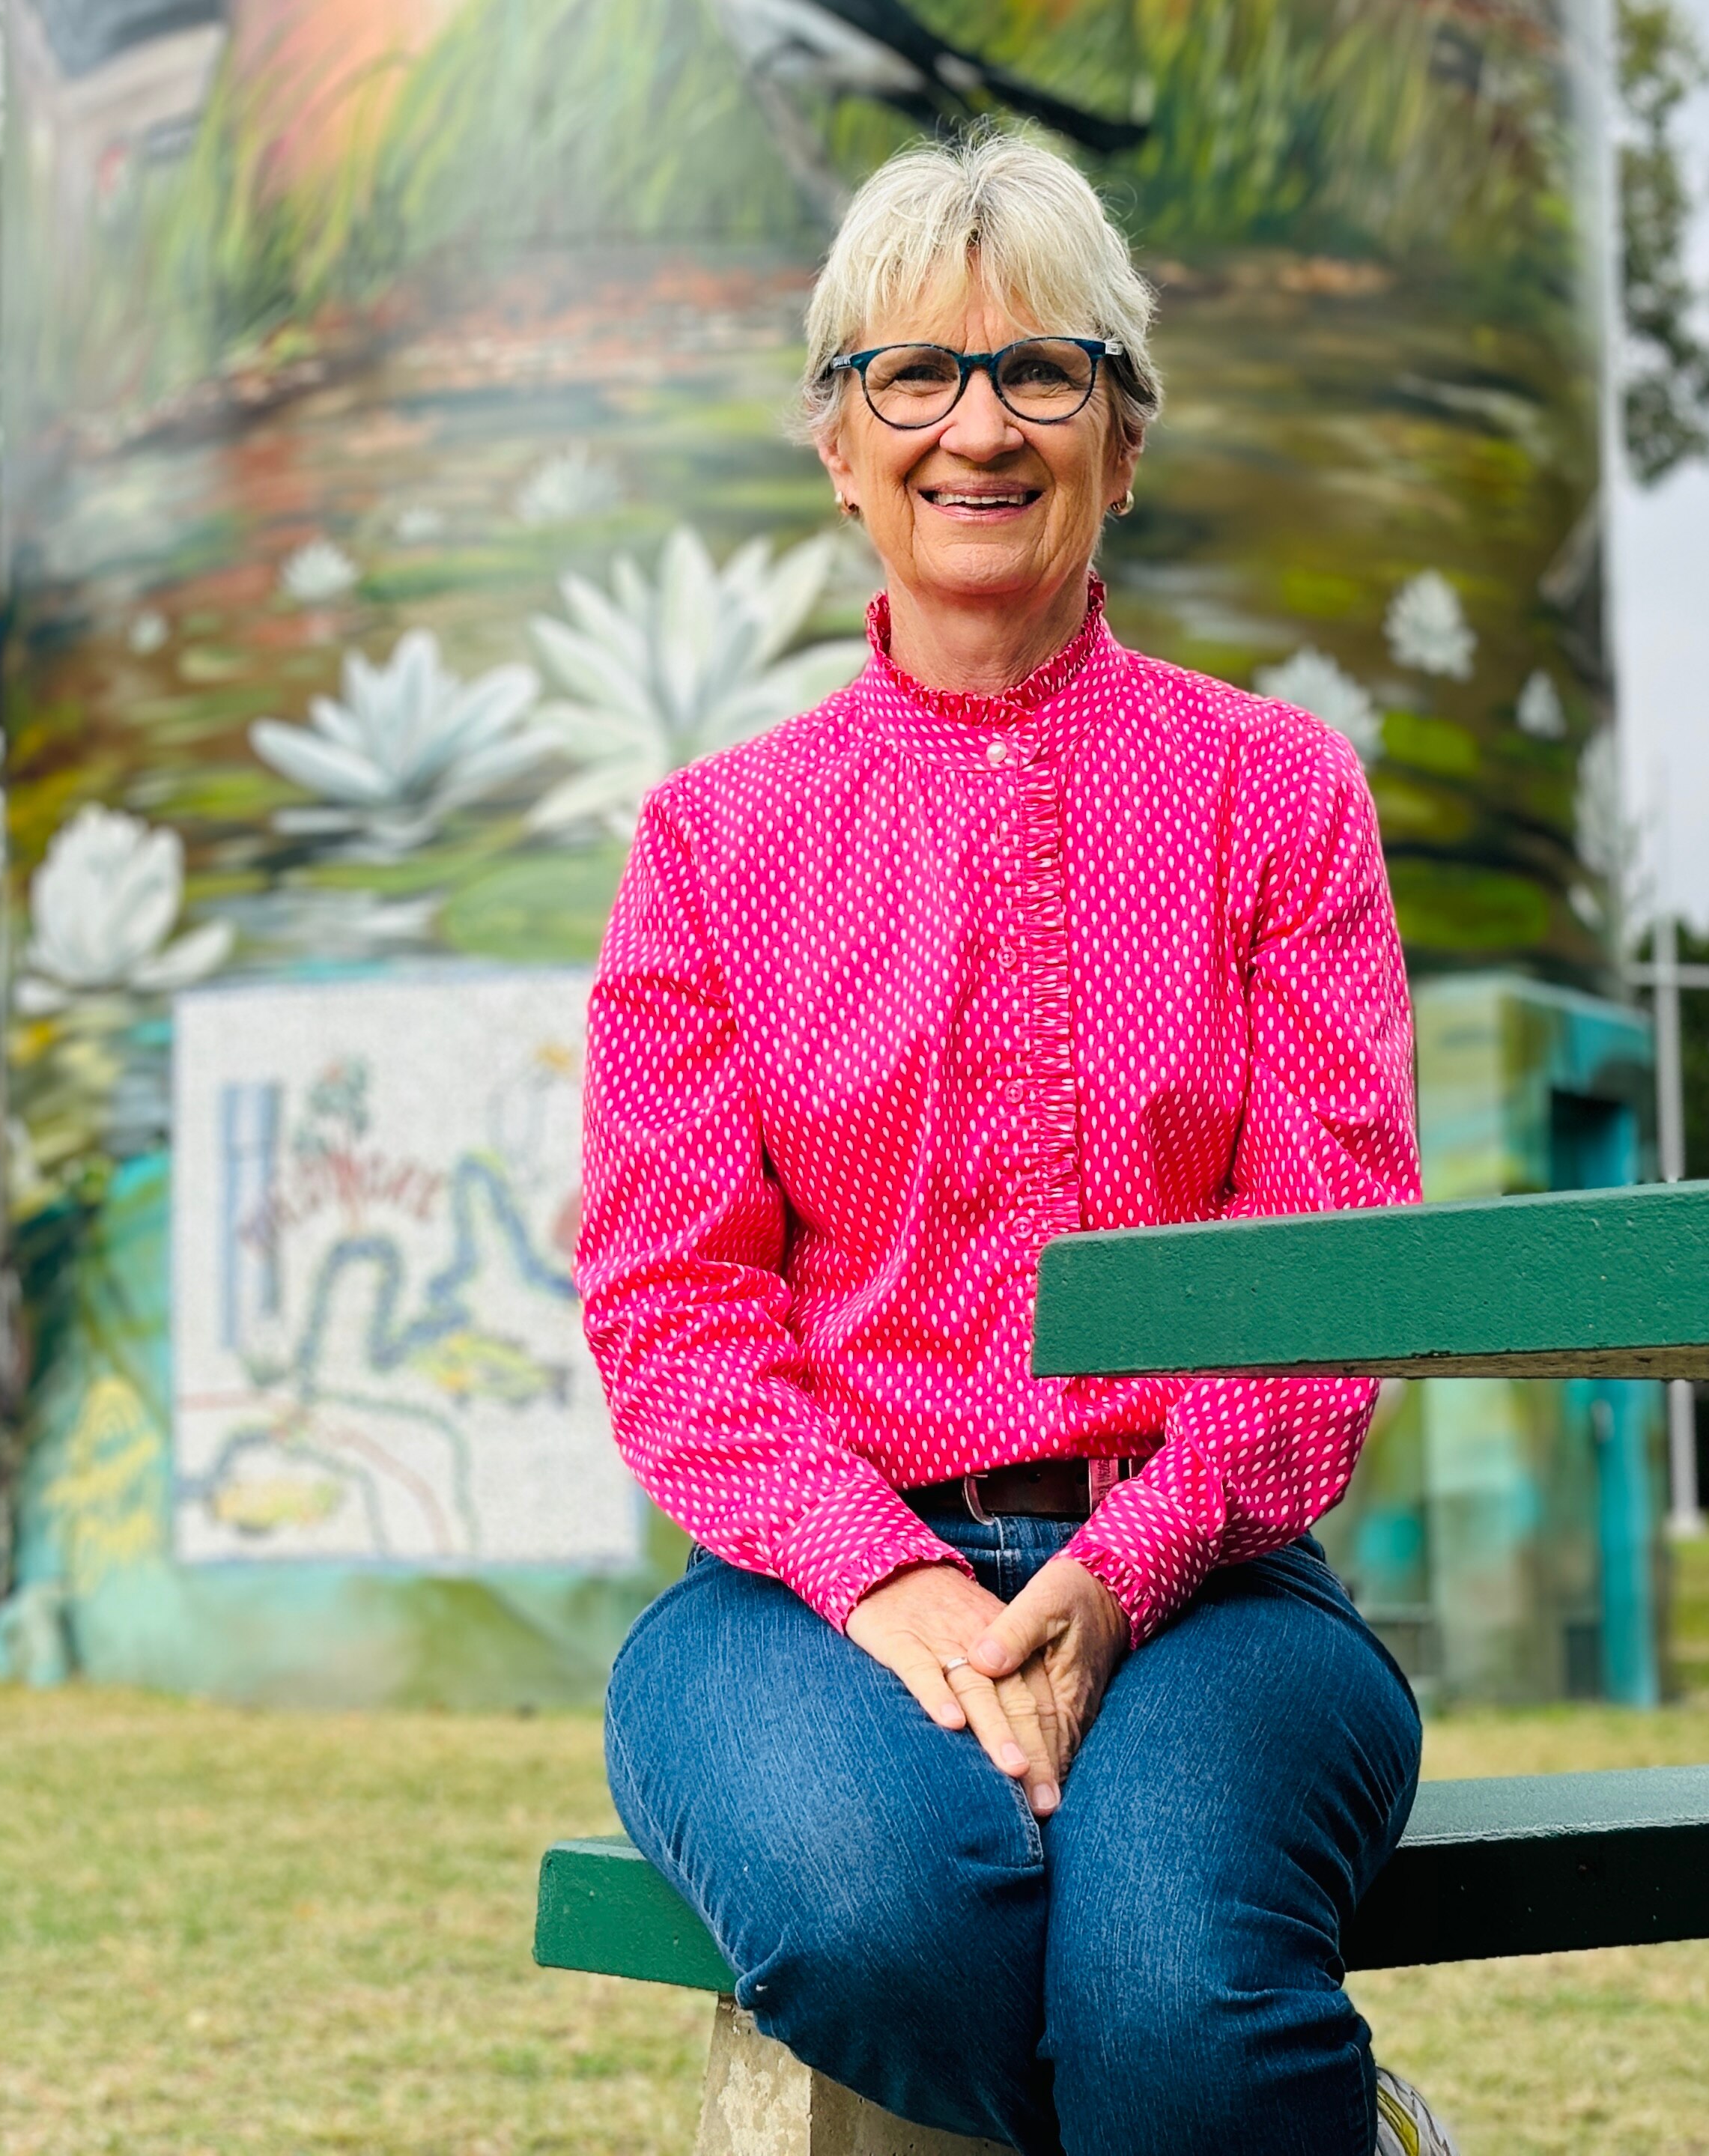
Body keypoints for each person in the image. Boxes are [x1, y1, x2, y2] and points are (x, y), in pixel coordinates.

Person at [578, 131, 1454, 2156]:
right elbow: (671, 1305)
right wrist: (888, 1584)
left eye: (1043, 372)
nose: (978, 426)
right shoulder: (714, 846)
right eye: (913, 375)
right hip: (803, 1592)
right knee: (891, 1916)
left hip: (1216, 1580)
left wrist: (1128, 1567)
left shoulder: (1277, 795)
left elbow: (1325, 1284)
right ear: (837, 443)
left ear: (1124, 441)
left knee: (1180, 1995)